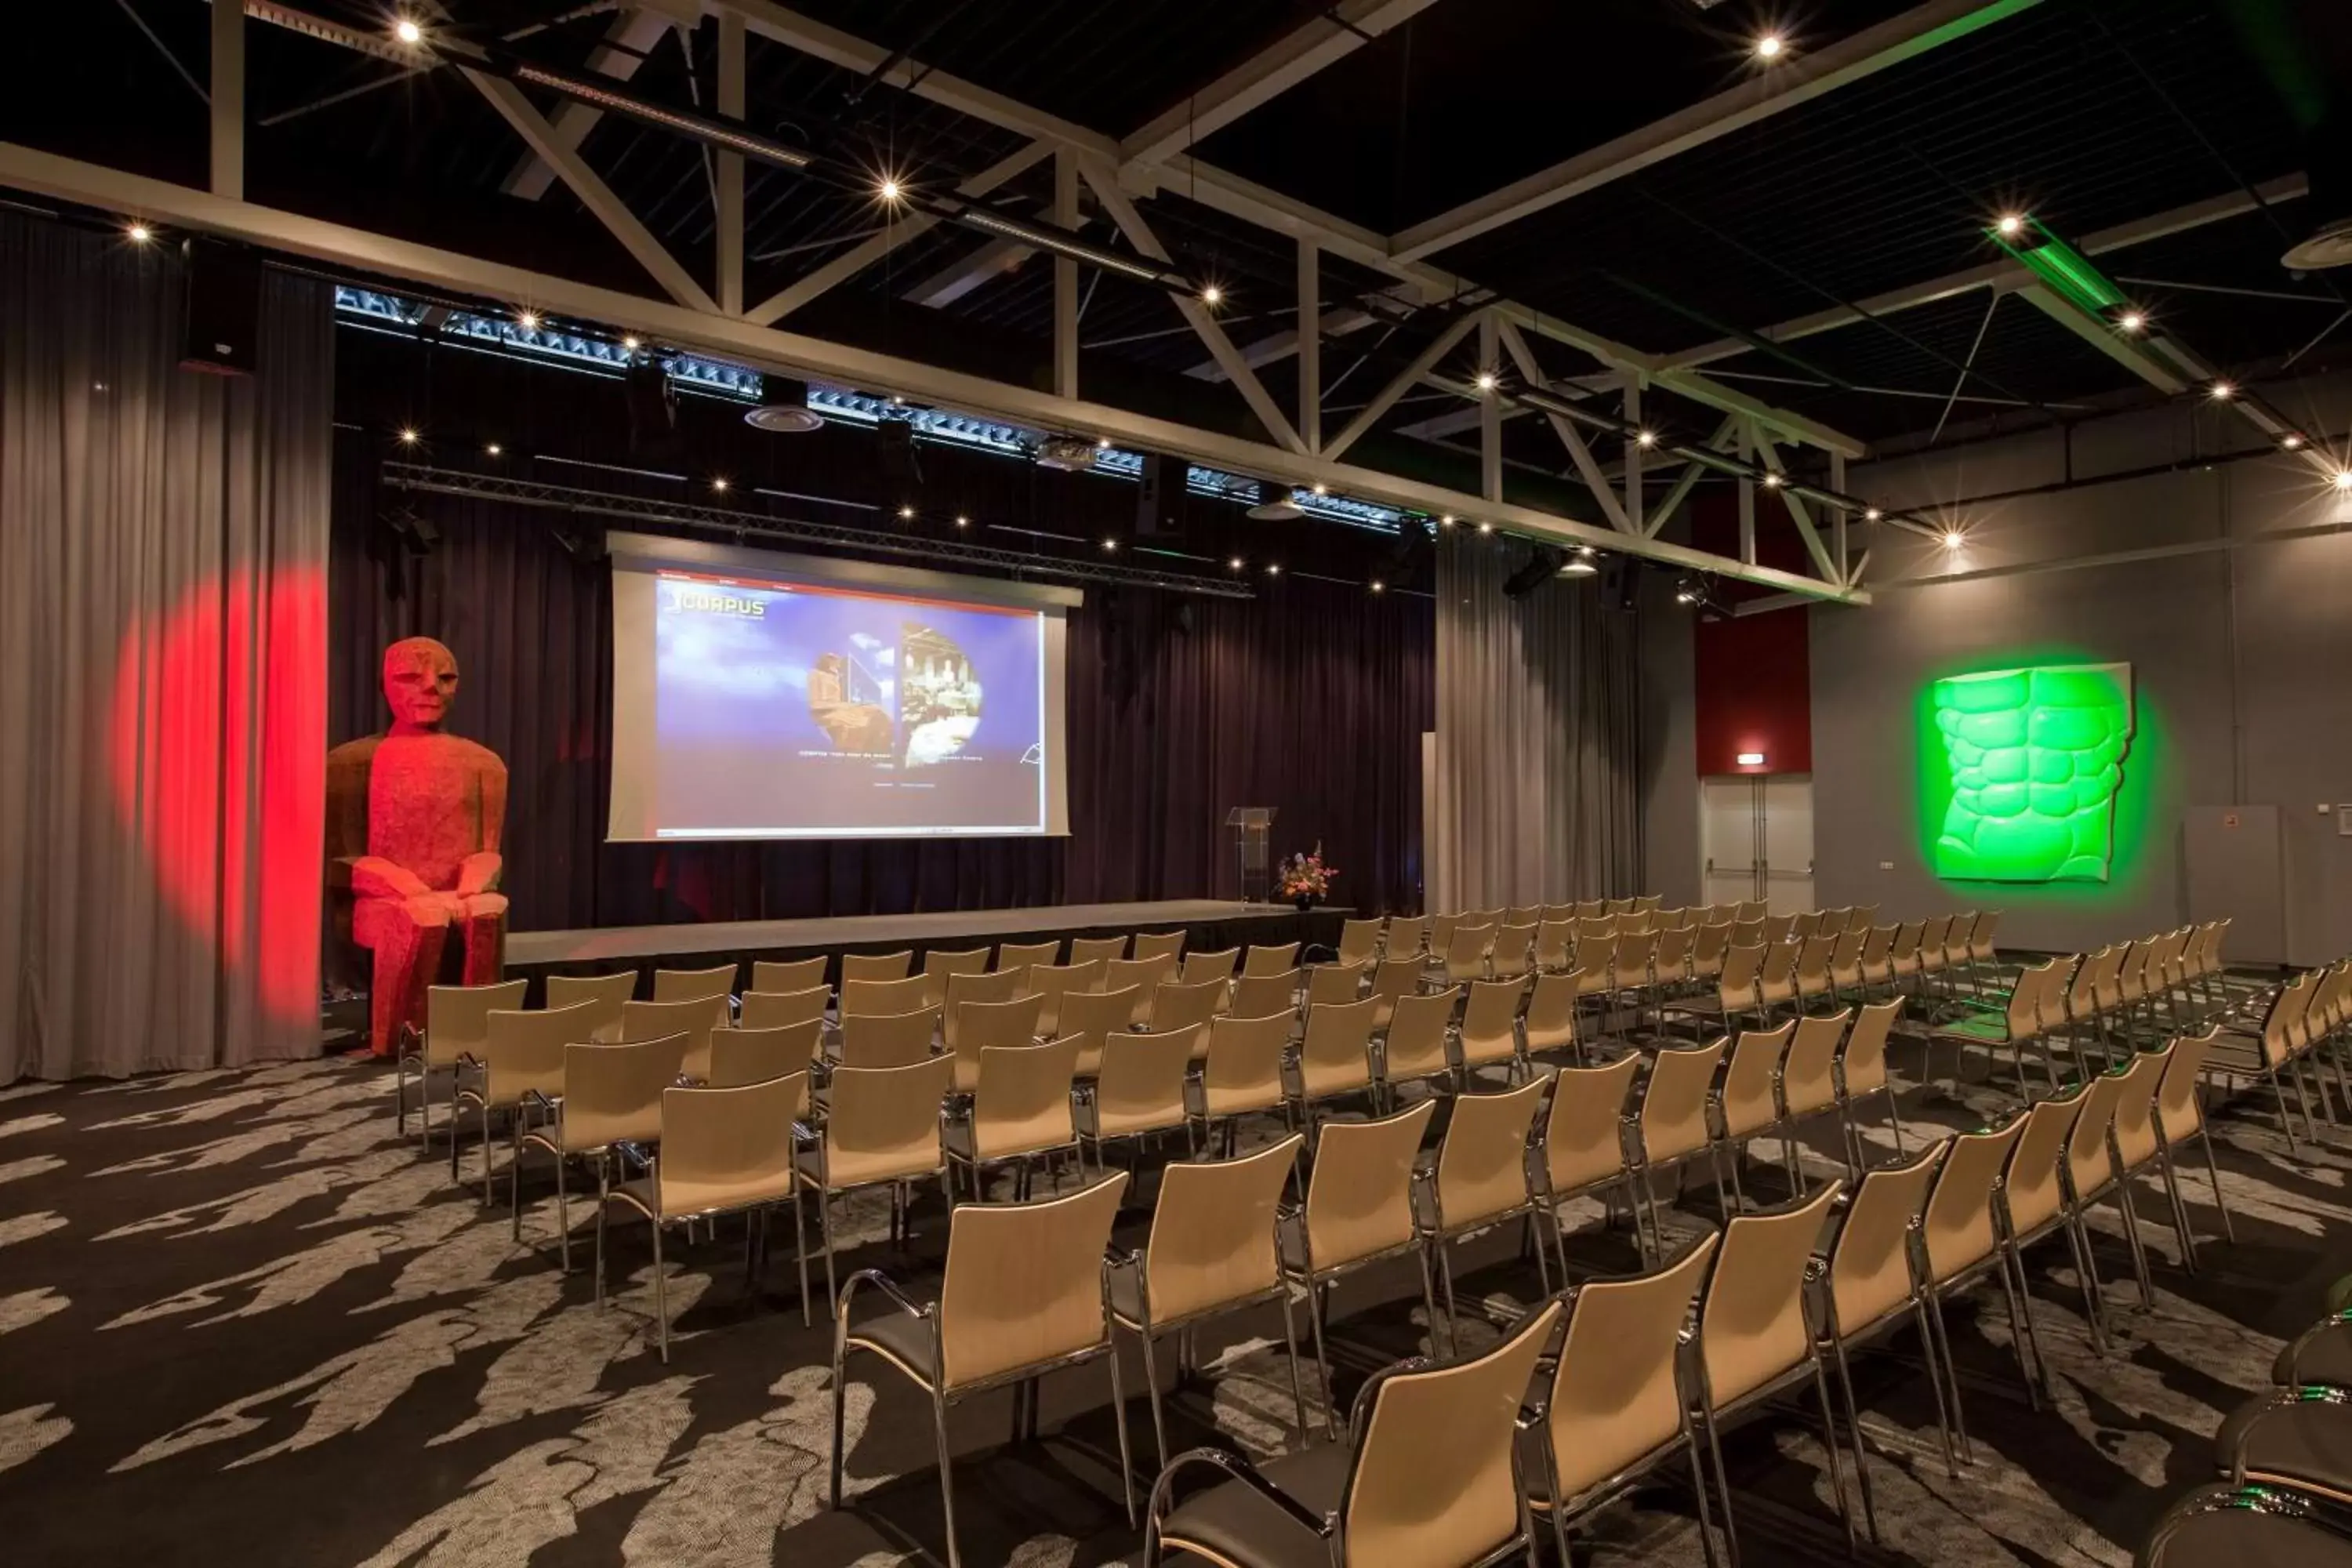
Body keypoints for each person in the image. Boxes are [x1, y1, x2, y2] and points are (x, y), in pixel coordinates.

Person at [325, 637, 509, 1055]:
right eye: (411, 677)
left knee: (486, 908)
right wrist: (403, 884)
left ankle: (472, 1038)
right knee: (421, 916)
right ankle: (396, 1040)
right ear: (384, 685)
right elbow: (341, 859)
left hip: (455, 894)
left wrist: (474, 882)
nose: (431, 687)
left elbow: (488, 850)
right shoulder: (350, 763)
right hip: (380, 899)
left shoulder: (484, 764)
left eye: (445, 678)